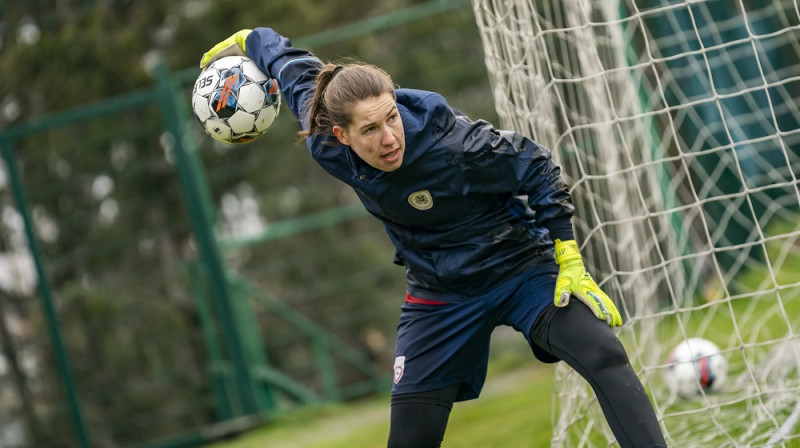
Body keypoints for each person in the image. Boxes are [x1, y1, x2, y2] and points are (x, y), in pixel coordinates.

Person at [199, 28, 667, 448]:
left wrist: (569, 260)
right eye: (370, 129)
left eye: (392, 117)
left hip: (520, 267)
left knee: (604, 355)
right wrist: (248, 39)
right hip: (439, 293)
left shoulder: (457, 145)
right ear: (341, 135)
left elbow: (538, 166)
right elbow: (288, 64)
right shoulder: (323, 138)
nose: (388, 138)